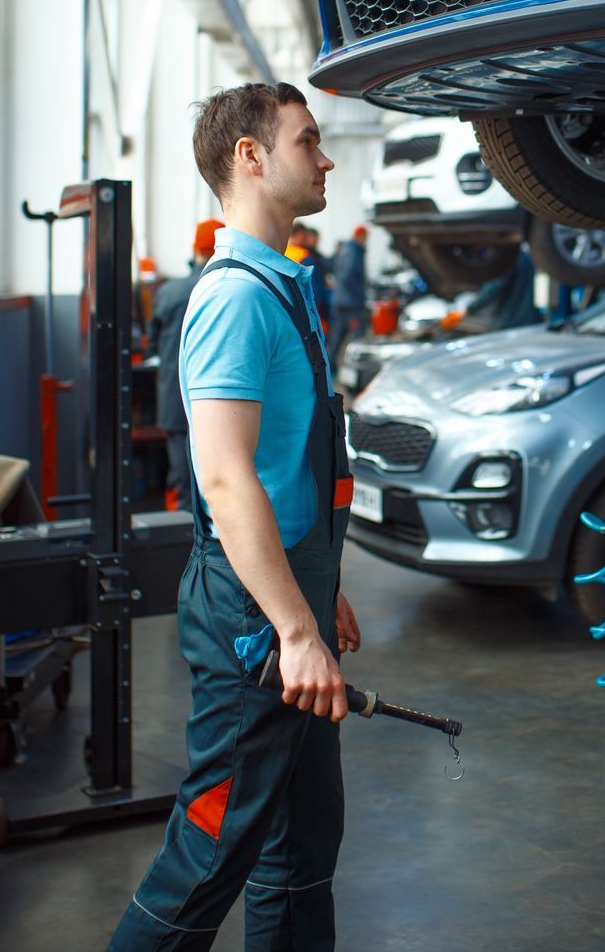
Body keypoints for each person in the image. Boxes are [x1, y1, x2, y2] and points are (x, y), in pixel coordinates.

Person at [107, 82, 358, 952]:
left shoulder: (284, 285)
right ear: (249, 157)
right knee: (211, 848)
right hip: (255, 625)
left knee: (300, 843)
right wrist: (293, 627)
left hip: (291, 595)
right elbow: (224, 479)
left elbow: (293, 464)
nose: (325, 159)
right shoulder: (234, 298)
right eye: (308, 141)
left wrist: (323, 589)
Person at [149, 218, 222, 512]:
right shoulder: (231, 289)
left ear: (196, 250)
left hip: (176, 401)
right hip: (222, 403)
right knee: (218, 481)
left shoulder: (169, 292)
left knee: (183, 479)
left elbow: (152, 344)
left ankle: (180, 548)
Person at [328, 226, 368, 365]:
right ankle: (358, 369)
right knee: (359, 337)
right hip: (350, 303)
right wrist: (359, 296)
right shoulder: (352, 251)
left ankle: (330, 367)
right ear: (360, 236)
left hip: (342, 301)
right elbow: (347, 276)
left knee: (338, 336)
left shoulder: (347, 250)